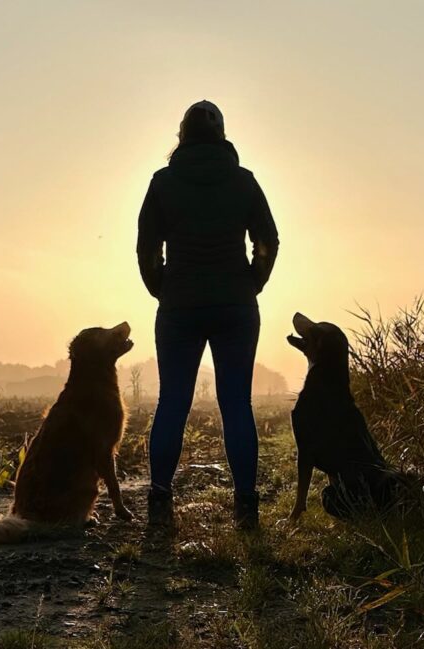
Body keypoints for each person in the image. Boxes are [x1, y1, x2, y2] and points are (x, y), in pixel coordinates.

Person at [136, 100, 279, 529]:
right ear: (222, 136)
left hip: (179, 305)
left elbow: (146, 248)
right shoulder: (244, 181)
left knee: (172, 402)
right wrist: (253, 281)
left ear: (182, 136)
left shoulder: (162, 182)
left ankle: (160, 501)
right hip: (236, 304)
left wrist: (161, 288)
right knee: (236, 403)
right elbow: (268, 240)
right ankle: (246, 506)